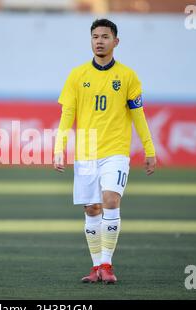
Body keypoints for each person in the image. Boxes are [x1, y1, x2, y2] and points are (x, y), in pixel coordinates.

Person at [53, 18, 156, 284]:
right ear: (91, 40)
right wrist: (59, 147)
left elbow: (139, 115)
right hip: (86, 151)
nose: (99, 41)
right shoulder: (77, 75)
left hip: (116, 151)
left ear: (116, 42)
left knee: (110, 200)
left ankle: (107, 265)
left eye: (105, 36)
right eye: (95, 36)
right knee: (91, 208)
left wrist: (149, 149)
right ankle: (96, 267)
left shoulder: (127, 76)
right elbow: (67, 114)